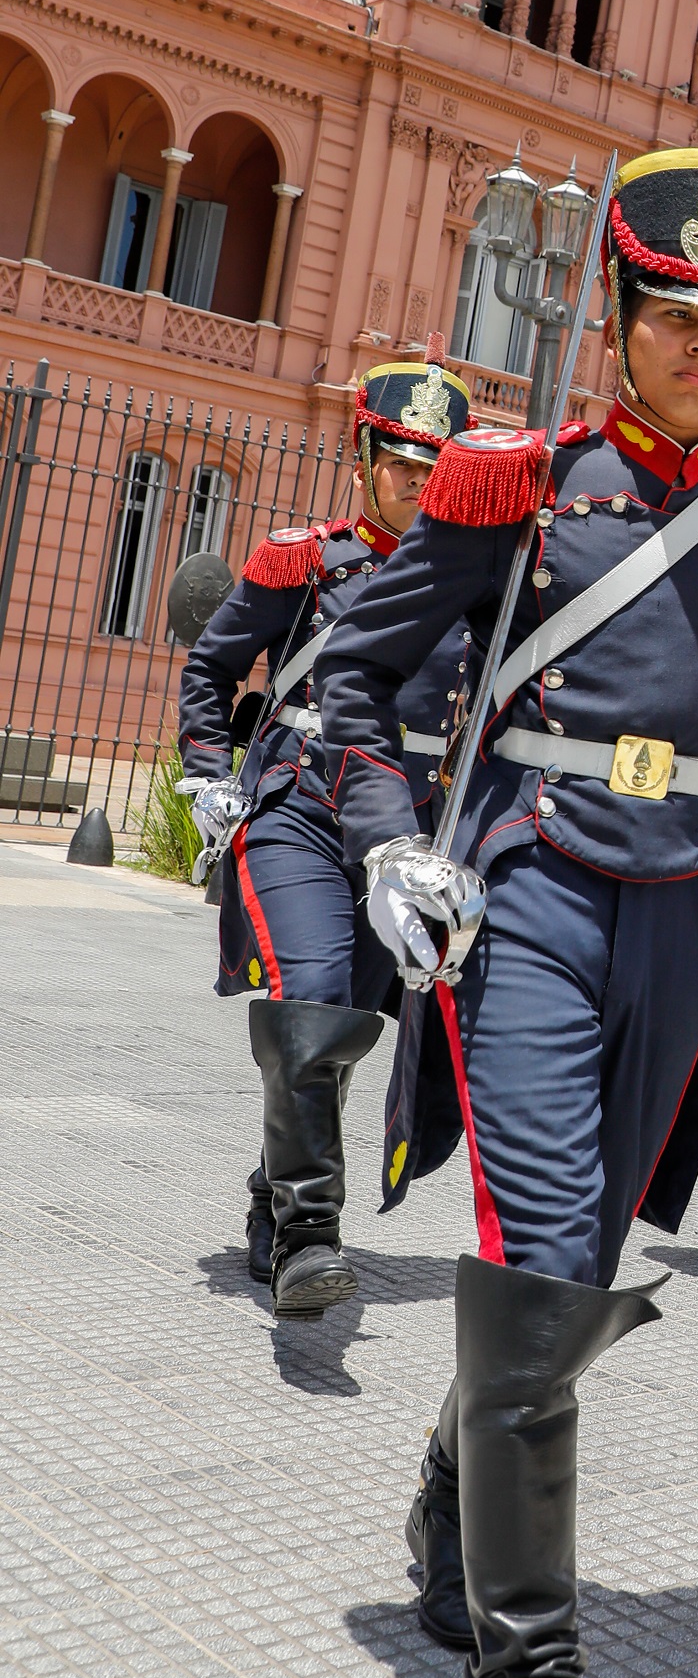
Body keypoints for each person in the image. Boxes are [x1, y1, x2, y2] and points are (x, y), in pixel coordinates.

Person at [315, 96, 698, 1678]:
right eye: (673, 317)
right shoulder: (520, 490)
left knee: (585, 1257)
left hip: (684, 918)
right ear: (617, 321)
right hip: (532, 891)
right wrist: (395, 834)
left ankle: (447, 1497)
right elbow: (357, 678)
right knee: (540, 1248)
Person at [177, 359, 472, 1317]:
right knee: (310, 998)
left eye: (435, 467)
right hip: (302, 805)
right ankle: (311, 1232)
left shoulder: (480, 587)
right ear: (362, 457)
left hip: (409, 827)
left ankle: (272, 1199)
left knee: (346, 1025)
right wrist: (210, 774)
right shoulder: (303, 561)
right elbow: (213, 668)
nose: (417, 482)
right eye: (399, 462)